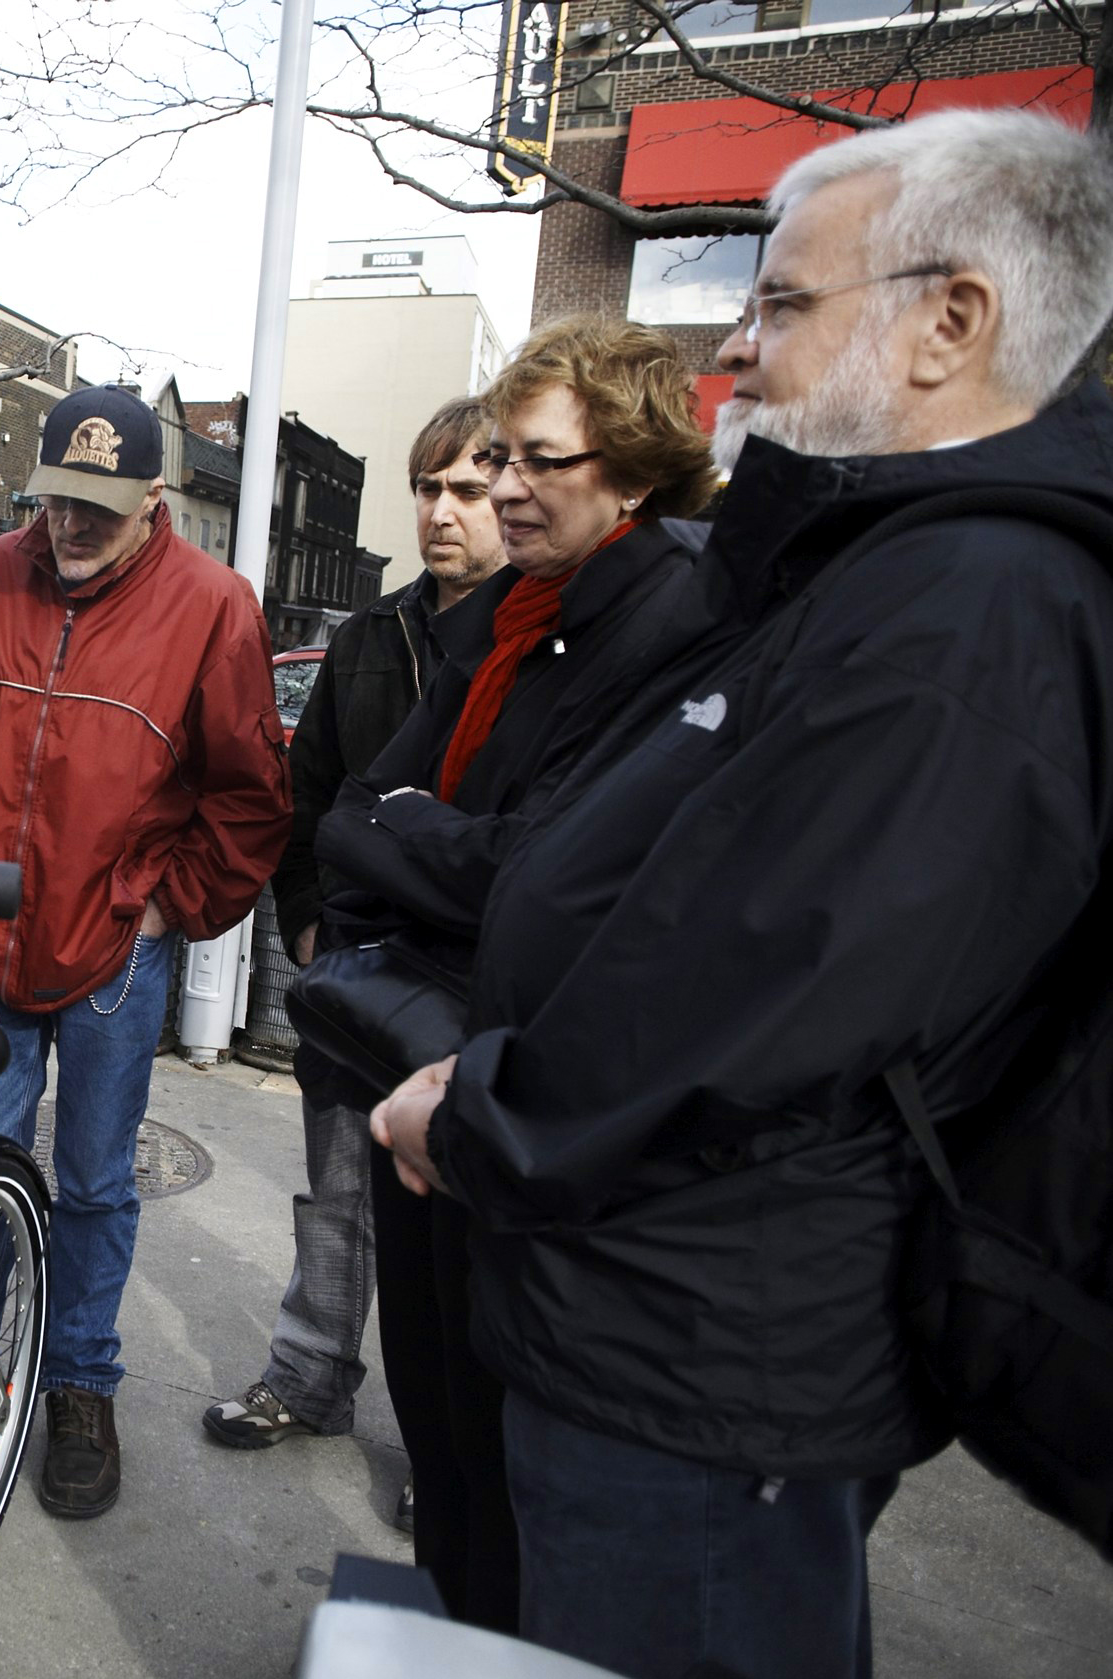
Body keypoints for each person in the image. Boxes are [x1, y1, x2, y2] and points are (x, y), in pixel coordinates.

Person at [370, 111, 1113, 1679]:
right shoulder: (870, 575)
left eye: (778, 301)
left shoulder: (966, 612)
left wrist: (480, 1111)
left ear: (947, 322)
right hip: (651, 1311)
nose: (732, 346)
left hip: (707, 1358)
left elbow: (756, 981)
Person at [315, 317, 715, 1633]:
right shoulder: (509, 609)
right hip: (415, 1048)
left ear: (634, 469)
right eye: (494, 461)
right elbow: (346, 810)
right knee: (428, 1414)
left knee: (497, 1448)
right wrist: (437, 835)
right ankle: (441, 1639)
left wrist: (418, 833)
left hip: (514, 1081)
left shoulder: (669, 622)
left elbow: (537, 875)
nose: (496, 490)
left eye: (535, 461)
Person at [0, 385, 292, 1519]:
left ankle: (75, 1380)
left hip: (115, 954)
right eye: (57, 501)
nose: (69, 527)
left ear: (154, 500)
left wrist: (167, 907)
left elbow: (252, 799)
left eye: (98, 511)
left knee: (97, 1184)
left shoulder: (211, 607)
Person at [201, 399, 505, 1489]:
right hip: (359, 969)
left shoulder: (539, 635)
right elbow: (305, 792)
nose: (441, 511)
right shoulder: (370, 635)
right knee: (336, 1191)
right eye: (427, 487)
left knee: (456, 1219)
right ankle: (311, 1373)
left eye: (466, 488)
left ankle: (448, 1443)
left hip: (479, 987)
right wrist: (310, 924)